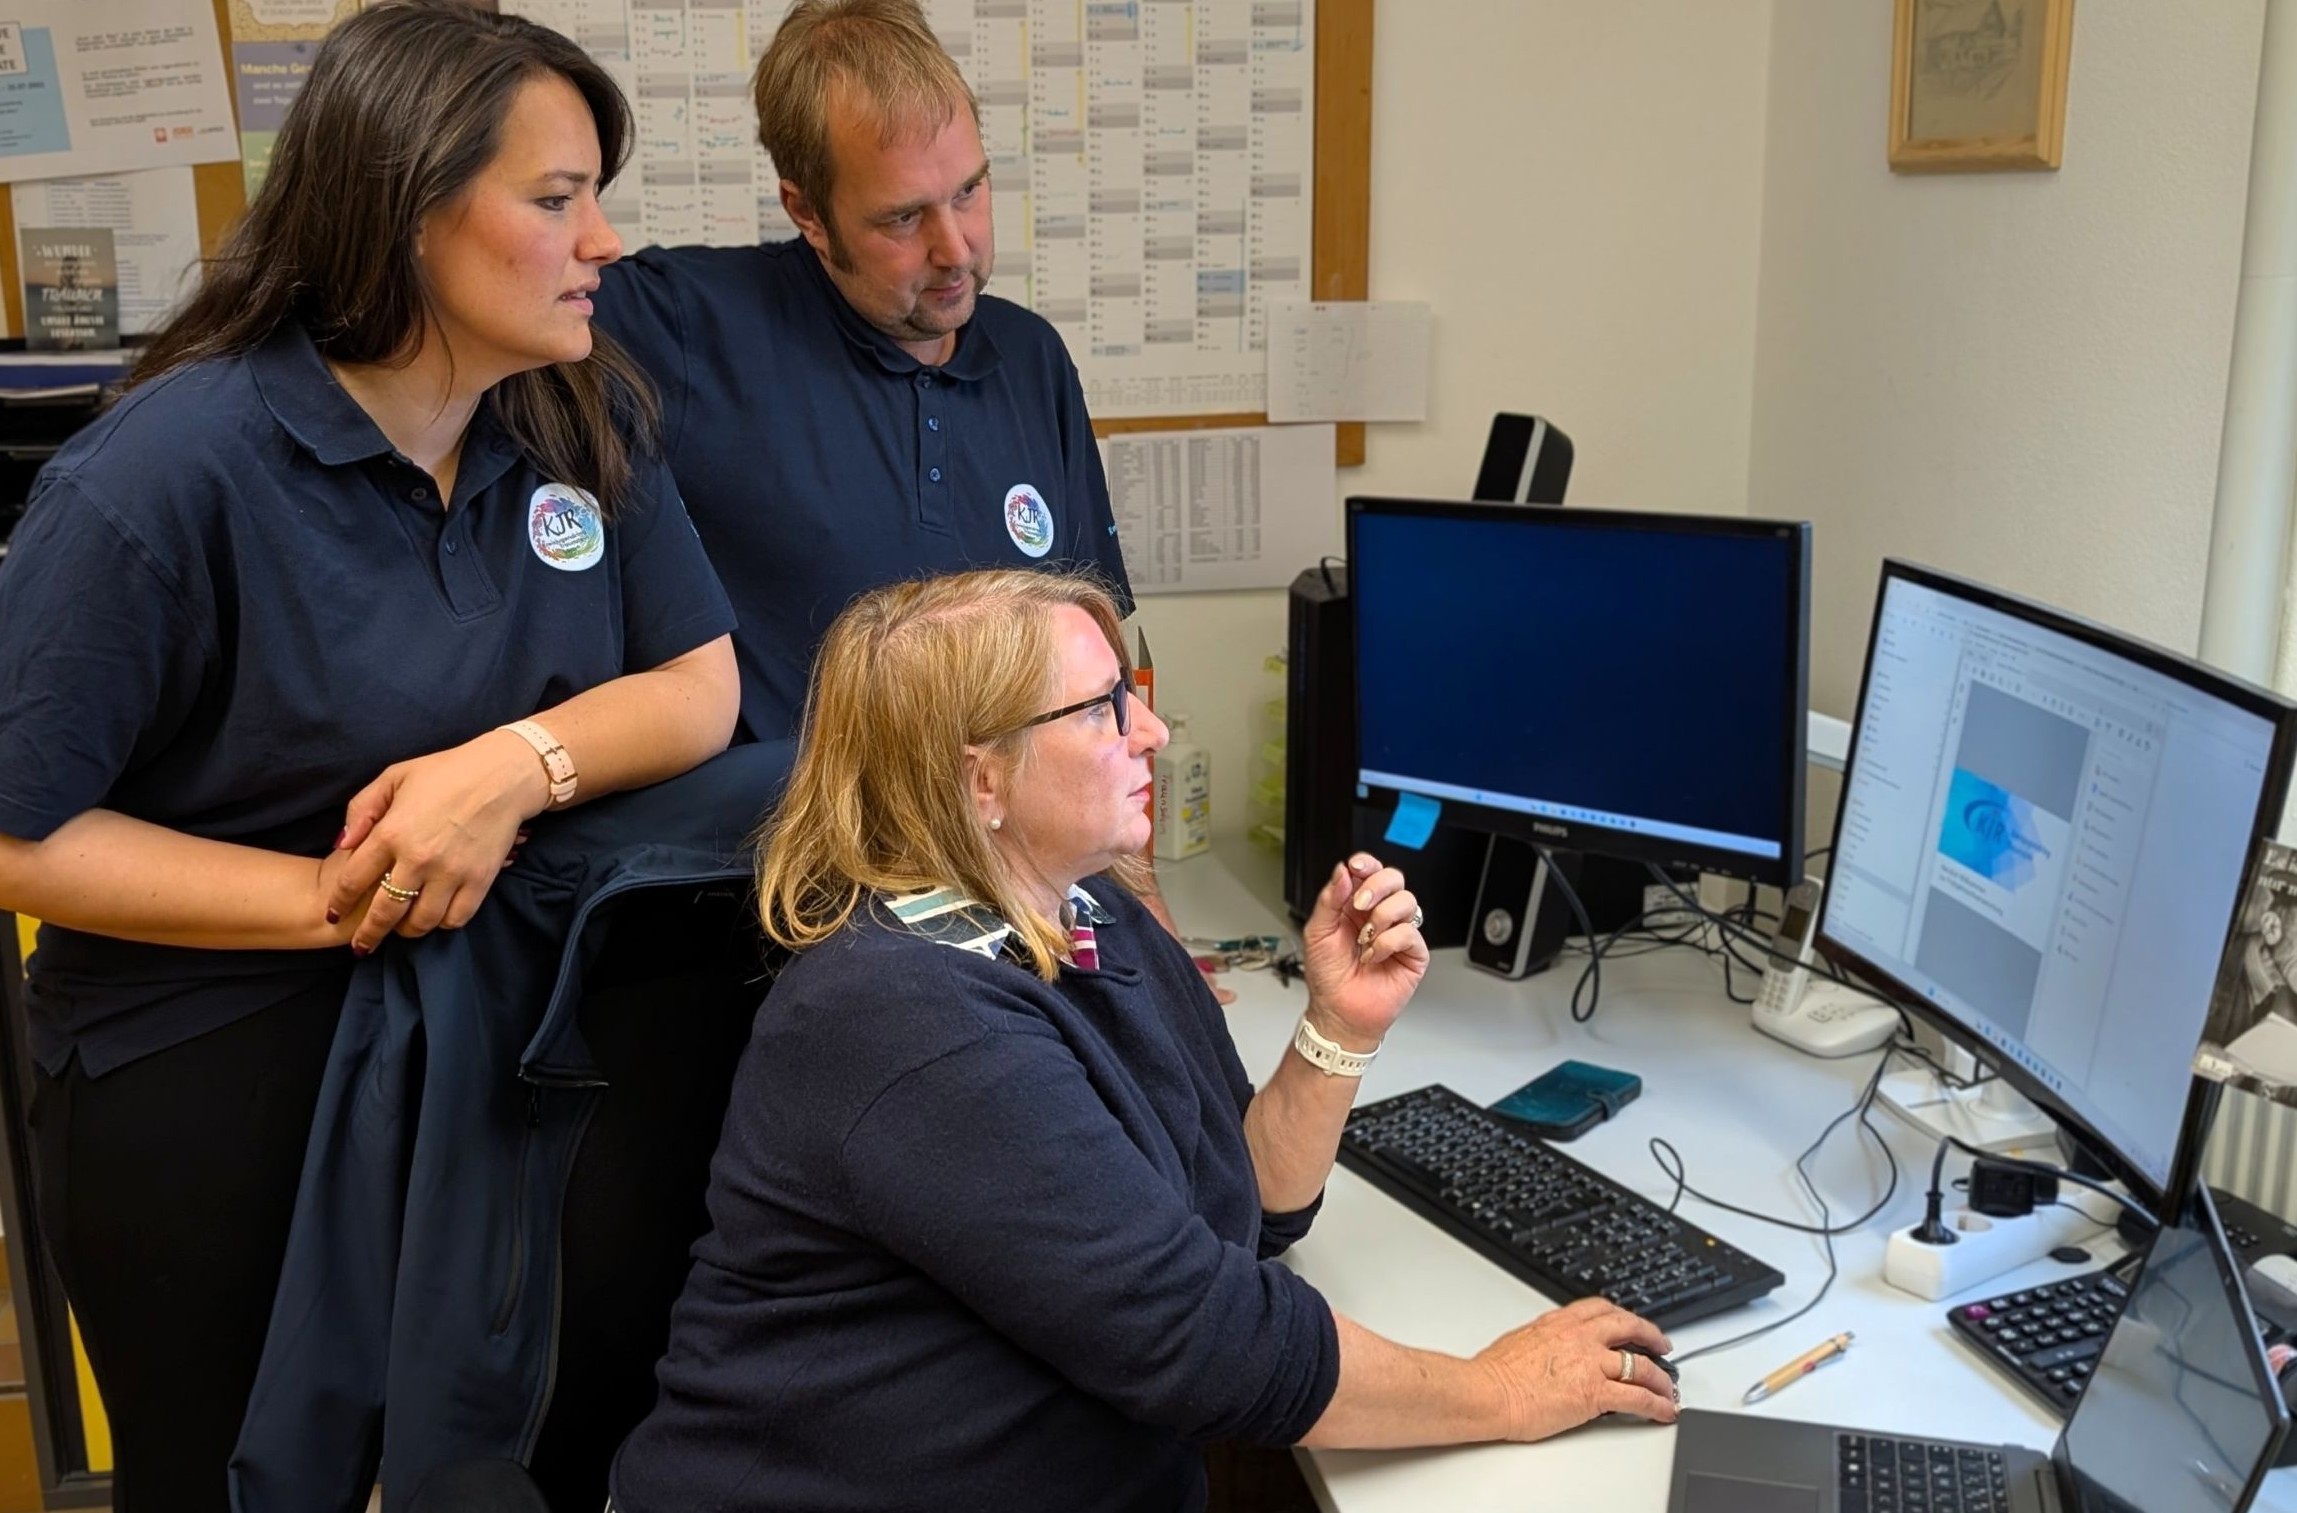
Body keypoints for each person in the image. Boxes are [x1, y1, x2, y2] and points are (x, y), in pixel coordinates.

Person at [0, 3, 739, 1506]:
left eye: (598, 191)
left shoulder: (575, 419)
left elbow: (701, 686)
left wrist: (510, 768)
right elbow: (19, 833)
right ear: (406, 212)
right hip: (214, 1070)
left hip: (498, 1037)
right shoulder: (163, 476)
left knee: (521, 1453)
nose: (605, 241)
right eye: (555, 199)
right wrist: (354, 897)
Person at [608, 568, 1679, 1511]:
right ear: (981, 780)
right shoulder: (901, 1021)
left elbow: (1238, 1204)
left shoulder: (1085, 912)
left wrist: (1336, 1026)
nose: (1152, 731)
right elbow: (1208, 1346)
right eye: (1103, 707)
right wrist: (1496, 1388)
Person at [591, 0, 1131, 749]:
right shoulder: (690, 327)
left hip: (1011, 853)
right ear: (807, 213)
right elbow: (490, 293)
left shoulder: (1031, 357)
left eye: (968, 192)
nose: (955, 249)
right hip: (795, 853)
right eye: (903, 219)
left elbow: (1105, 670)